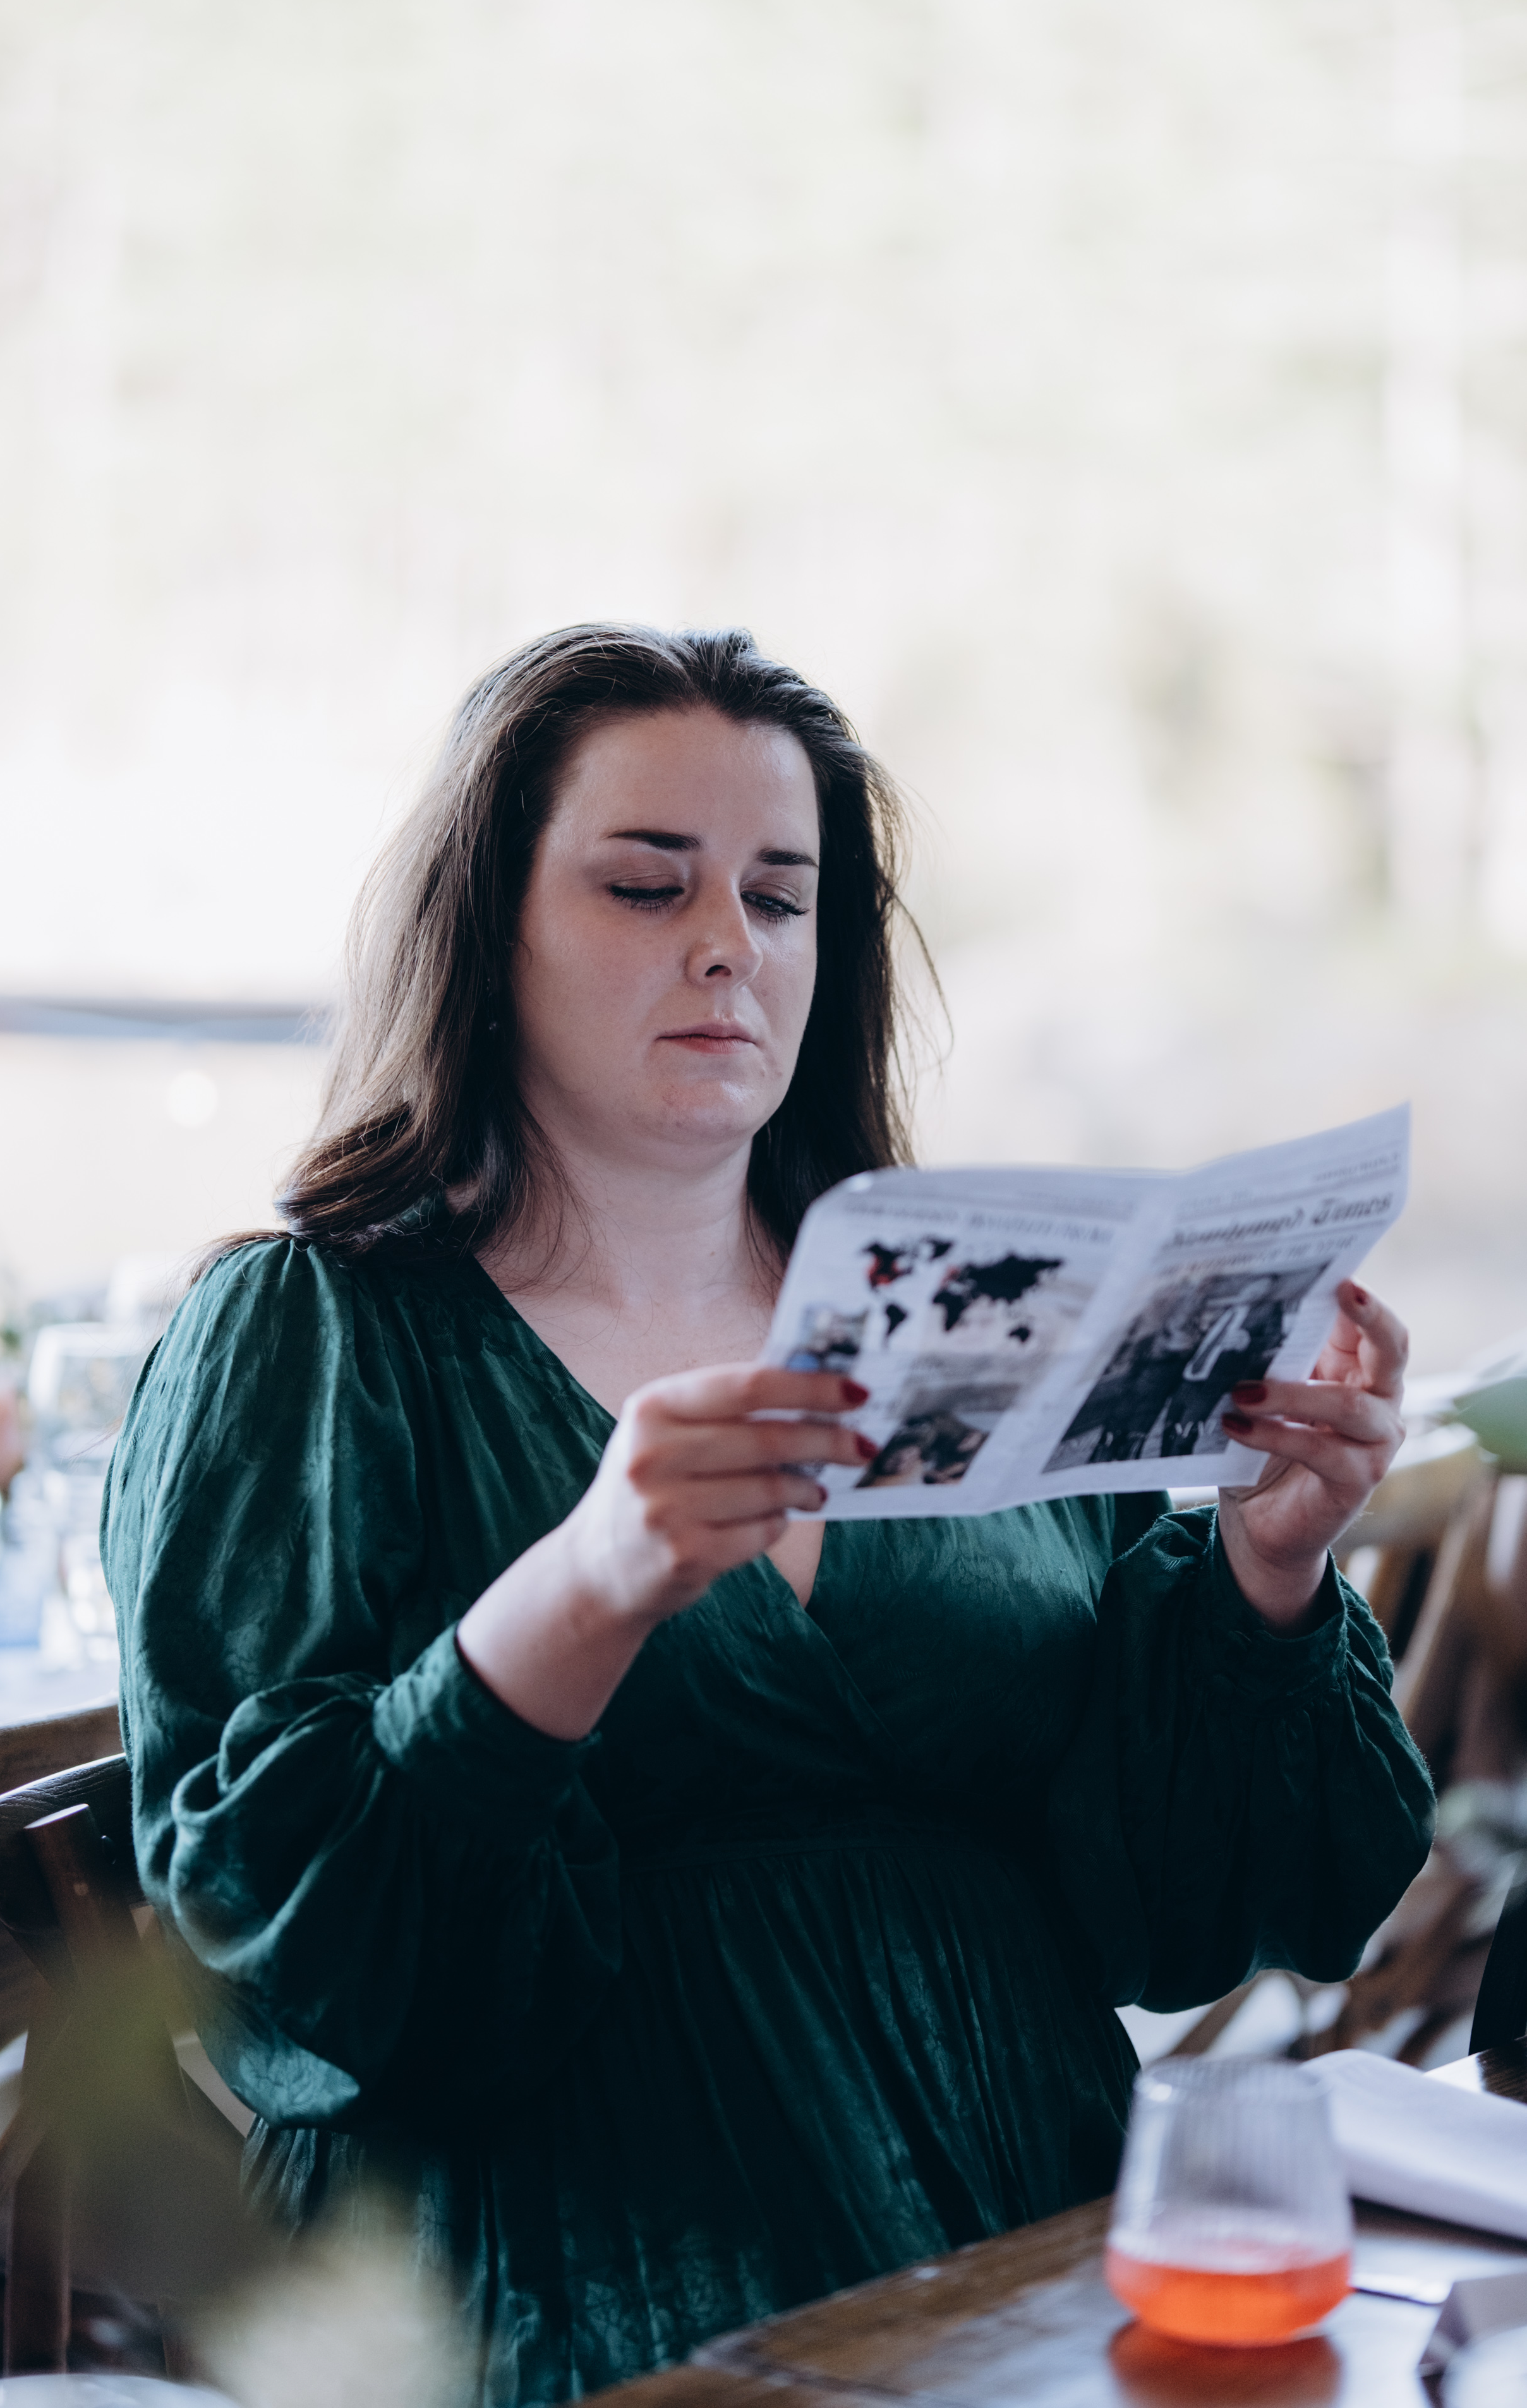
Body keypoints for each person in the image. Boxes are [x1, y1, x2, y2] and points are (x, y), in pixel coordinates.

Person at [102, 624, 1433, 2408]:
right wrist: (585, 1589)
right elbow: (268, 1962)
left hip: (1030, 2241)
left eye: (782, 897)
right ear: (486, 928)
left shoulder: (965, 1311)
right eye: (646, 886)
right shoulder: (316, 1330)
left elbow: (1184, 1914)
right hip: (549, 2271)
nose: (729, 943)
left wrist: (1266, 1569)